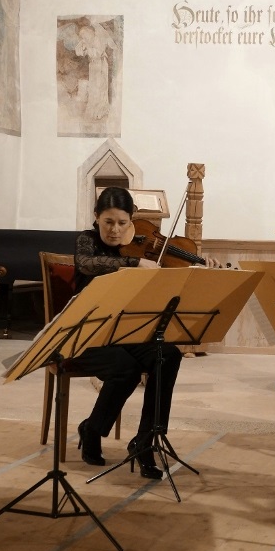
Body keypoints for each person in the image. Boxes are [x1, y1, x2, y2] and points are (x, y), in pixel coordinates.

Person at [72, 187, 218, 479]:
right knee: (125, 368)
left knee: (168, 356)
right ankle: (92, 429)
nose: (114, 230)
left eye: (122, 223)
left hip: (130, 331)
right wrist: (134, 263)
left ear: (133, 220)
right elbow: (86, 265)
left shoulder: (146, 245)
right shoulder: (87, 242)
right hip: (89, 334)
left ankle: (145, 442)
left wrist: (201, 265)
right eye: (108, 222)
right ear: (96, 218)